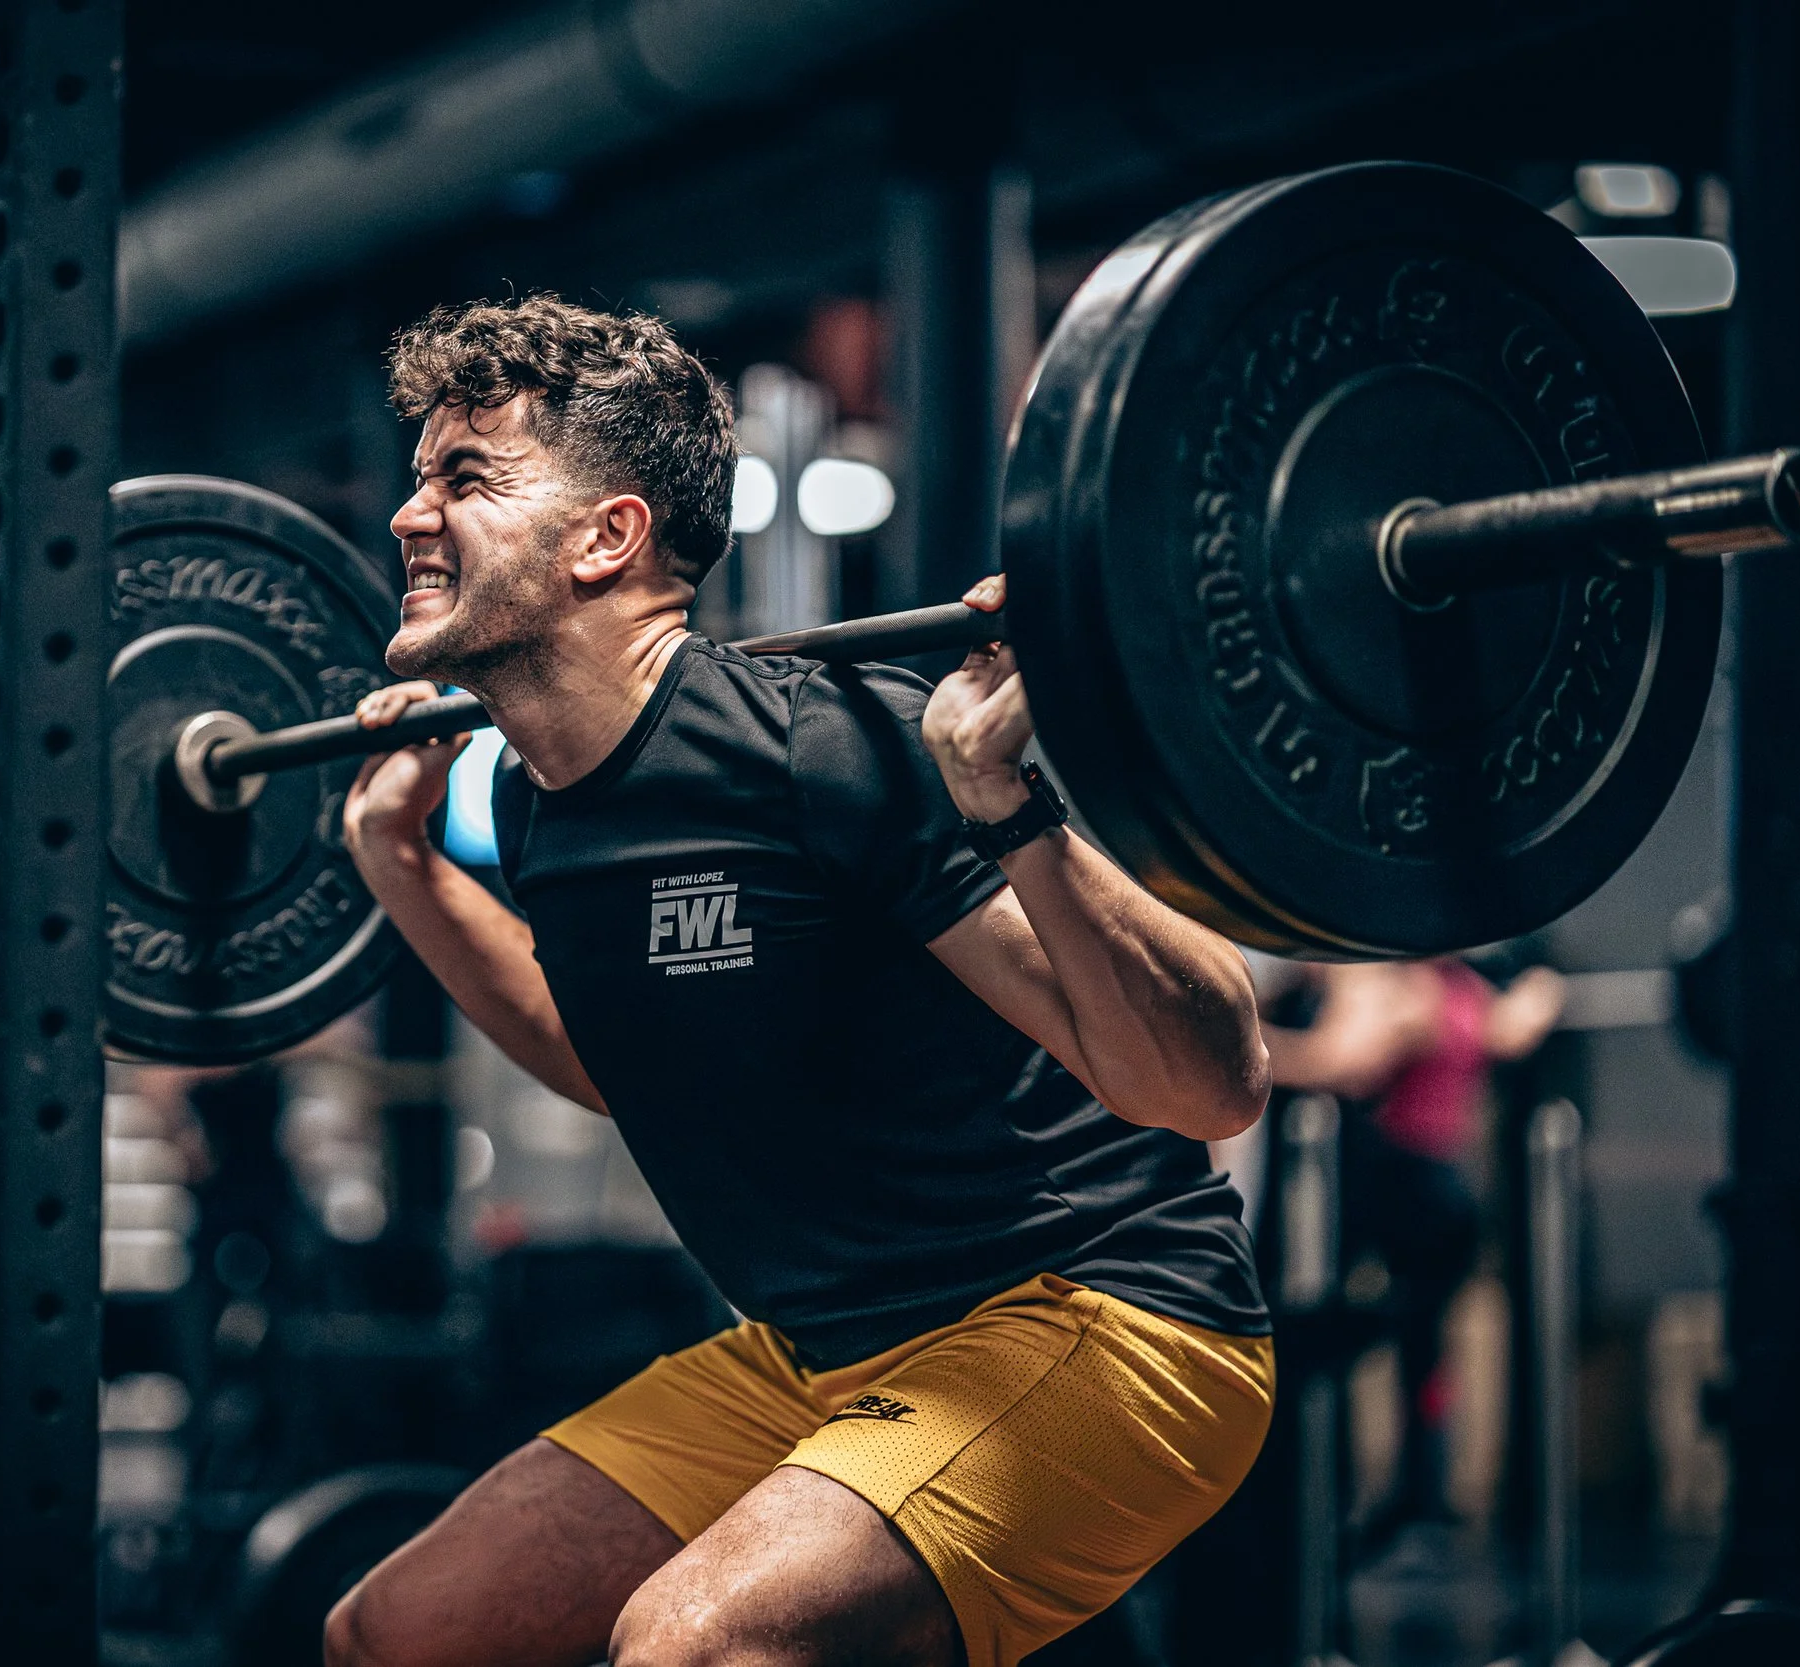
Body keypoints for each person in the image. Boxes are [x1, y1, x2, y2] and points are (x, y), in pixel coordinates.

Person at [323, 297, 1275, 1667]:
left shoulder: (829, 750)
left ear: (610, 535)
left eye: (465, 476)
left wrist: (1009, 803)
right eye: (421, 476)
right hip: (817, 1351)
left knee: (692, 1647)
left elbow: (1207, 1083)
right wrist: (395, 851)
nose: (414, 512)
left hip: (1098, 1315)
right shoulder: (545, 806)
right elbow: (621, 1065)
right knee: (396, 1631)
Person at [1263, 955, 1564, 1549]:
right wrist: (1543, 985)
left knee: (1345, 1337)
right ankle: (1418, 1491)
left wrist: (1245, 1042)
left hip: (1404, 1189)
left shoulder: (1409, 988)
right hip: (1450, 1192)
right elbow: (1515, 1029)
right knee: (1423, 1347)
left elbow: (1346, 1066)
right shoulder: (1465, 989)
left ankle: (1383, 1493)